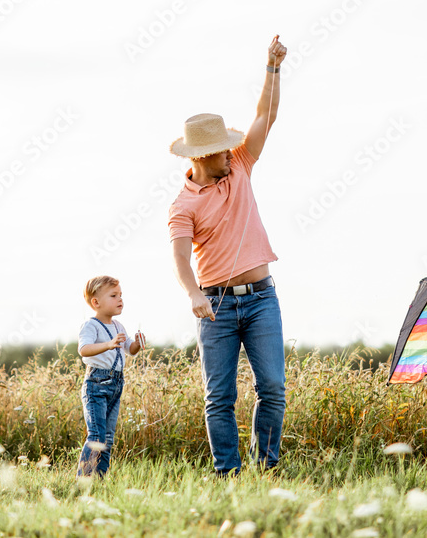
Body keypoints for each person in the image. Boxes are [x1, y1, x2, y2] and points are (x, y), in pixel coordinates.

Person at [168, 36, 288, 475]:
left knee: (272, 387)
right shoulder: (182, 205)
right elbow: (181, 256)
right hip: (215, 307)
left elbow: (265, 117)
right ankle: (228, 474)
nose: (230, 152)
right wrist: (193, 293)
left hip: (261, 299)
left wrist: (272, 67)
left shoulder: (238, 166)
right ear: (203, 156)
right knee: (219, 397)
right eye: (221, 148)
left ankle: (267, 468)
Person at [76, 275, 145, 477]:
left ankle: (99, 477)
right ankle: (84, 479)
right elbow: (84, 349)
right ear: (96, 302)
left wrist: (138, 344)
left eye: (121, 295)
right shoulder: (91, 326)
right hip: (96, 384)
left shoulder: (118, 326)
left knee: (108, 436)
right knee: (96, 435)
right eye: (114, 295)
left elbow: (129, 349)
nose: (120, 299)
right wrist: (108, 344)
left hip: (115, 384)